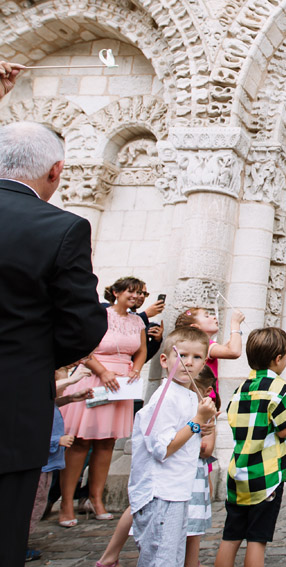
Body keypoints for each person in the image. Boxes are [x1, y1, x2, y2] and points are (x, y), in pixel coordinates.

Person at [0, 121, 107, 564]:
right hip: (12, 403)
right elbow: (83, 326)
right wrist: (36, 362)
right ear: (56, 171)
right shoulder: (59, 227)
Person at [215, 327, 286, 567]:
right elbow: (284, 428)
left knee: (231, 535)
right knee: (257, 539)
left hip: (238, 472)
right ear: (278, 359)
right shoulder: (278, 387)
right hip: (266, 475)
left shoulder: (241, 389)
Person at [59, 277, 147, 526]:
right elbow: (84, 347)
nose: (138, 296)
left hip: (121, 385)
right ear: (116, 292)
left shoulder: (137, 320)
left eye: (142, 293)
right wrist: (103, 372)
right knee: (80, 442)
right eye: (133, 291)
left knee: (107, 443)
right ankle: (66, 503)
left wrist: (136, 369)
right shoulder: (100, 315)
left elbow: (140, 350)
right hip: (95, 379)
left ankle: (95, 498)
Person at [129, 326, 217, 566]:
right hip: (161, 492)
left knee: (173, 558)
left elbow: (185, 433)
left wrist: (200, 427)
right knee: (161, 559)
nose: (189, 363)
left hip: (178, 490)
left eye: (197, 357)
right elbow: (162, 449)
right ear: (165, 360)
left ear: (204, 362)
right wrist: (197, 421)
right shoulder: (165, 396)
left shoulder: (187, 394)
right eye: (182, 355)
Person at [26, 365, 94, 562]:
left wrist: (72, 398)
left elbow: (53, 400)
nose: (63, 392)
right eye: (61, 387)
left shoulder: (46, 401)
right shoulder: (34, 404)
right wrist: (57, 441)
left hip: (48, 464)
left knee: (38, 502)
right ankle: (19, 543)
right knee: (35, 504)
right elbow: (33, 434)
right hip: (41, 463)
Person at [186, 366, 218, 567]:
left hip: (195, 475)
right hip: (177, 476)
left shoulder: (207, 414)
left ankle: (191, 562)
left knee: (193, 526)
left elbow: (206, 449)